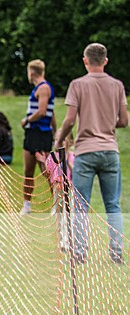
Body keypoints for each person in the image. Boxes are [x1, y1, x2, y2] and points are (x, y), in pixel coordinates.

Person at [54, 43, 128, 263]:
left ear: (85, 60)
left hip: (85, 151)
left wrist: (59, 139)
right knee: (113, 204)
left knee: (80, 205)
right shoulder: (117, 85)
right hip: (110, 151)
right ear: (105, 61)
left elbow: (68, 120)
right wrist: (107, 123)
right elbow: (124, 120)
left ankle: (80, 252)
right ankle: (116, 252)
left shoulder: (77, 85)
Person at [20, 59, 55, 215]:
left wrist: (26, 120)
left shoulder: (44, 88)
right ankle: (27, 204)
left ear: (31, 72)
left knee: (45, 170)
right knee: (28, 170)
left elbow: (42, 111)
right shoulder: (38, 89)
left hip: (41, 132)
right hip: (32, 133)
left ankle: (57, 203)